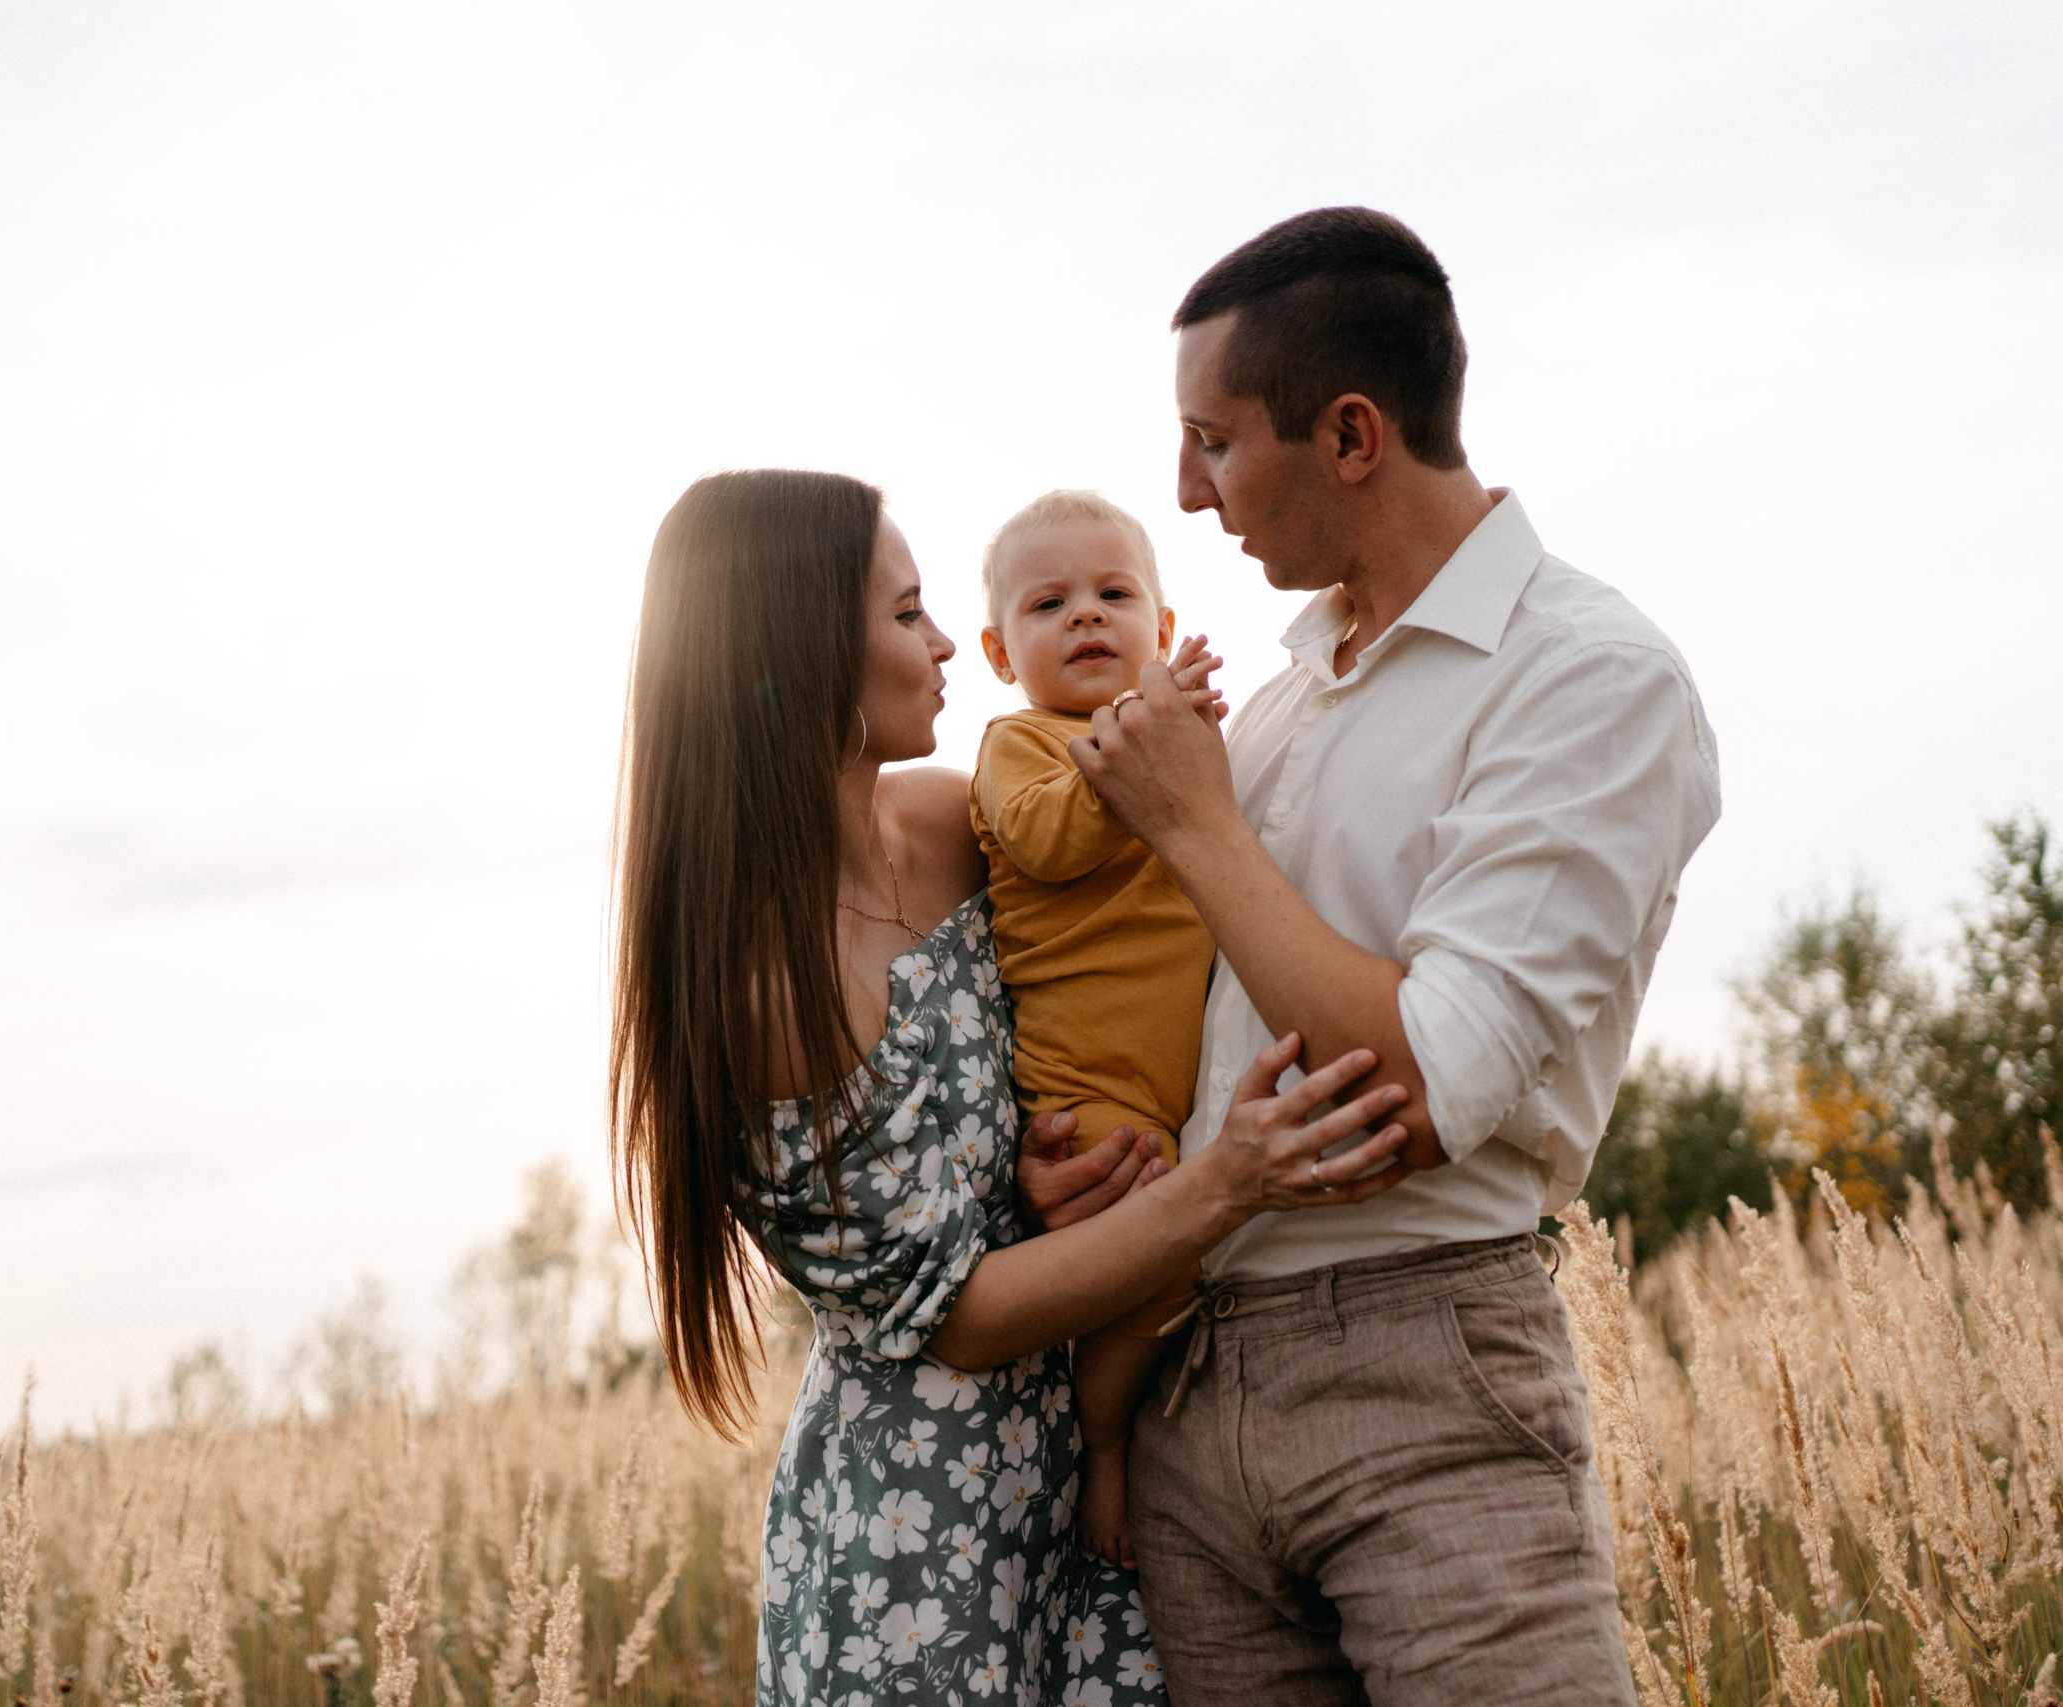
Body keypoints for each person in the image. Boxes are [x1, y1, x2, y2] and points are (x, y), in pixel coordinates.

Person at [609, 467, 1416, 1706]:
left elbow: (1070, 1002)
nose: (942, 645)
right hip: (922, 1543)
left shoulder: (947, 823)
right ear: (797, 649)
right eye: (904, 614)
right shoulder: (762, 984)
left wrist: (1033, 1162)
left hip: (1094, 1476)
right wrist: (1227, 1181)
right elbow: (957, 1313)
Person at [1064, 208, 1723, 1705]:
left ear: (1351, 432)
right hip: (1192, 1386)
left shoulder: (1590, 675)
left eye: (1213, 441)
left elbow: (1425, 1085)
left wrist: (1196, 825)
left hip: (1423, 1366)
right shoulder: (1286, 695)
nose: (1183, 489)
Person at [969, 488, 1220, 1571]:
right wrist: (1133, 758)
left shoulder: (1171, 742)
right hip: (1093, 1085)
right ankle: (1104, 1445)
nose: (1085, 617)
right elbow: (1045, 845)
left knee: (1192, 1262)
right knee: (1156, 1257)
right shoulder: (1019, 745)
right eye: (1048, 603)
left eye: (1114, 595)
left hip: (1186, 1073)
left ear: (1161, 633)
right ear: (997, 649)